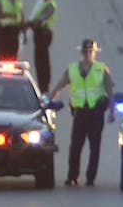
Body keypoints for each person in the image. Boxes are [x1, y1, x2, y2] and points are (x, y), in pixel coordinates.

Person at [45, 39, 112, 187]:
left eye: (90, 51)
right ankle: (72, 176)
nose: (87, 54)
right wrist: (47, 100)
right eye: (85, 51)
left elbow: (109, 91)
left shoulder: (101, 69)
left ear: (94, 53)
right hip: (80, 113)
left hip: (96, 113)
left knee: (95, 147)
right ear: (81, 53)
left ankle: (90, 178)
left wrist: (111, 111)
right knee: (75, 146)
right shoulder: (72, 69)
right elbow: (59, 86)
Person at [28, 0, 58, 90]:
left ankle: (44, 86)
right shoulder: (45, 4)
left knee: (42, 61)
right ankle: (42, 84)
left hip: (43, 34)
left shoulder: (50, 5)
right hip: (40, 34)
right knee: (40, 60)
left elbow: (40, 20)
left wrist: (29, 24)